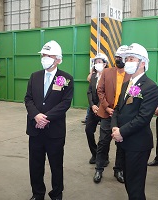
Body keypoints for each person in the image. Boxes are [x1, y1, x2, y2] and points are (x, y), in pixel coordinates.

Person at [24, 40, 74, 200]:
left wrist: (46, 117)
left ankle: (56, 194)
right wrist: (36, 115)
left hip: (55, 131)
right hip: (35, 129)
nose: (45, 58)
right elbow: (28, 99)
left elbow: (65, 103)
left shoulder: (66, 78)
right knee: (35, 165)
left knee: (56, 165)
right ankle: (37, 194)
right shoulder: (35, 76)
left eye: (49, 55)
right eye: (43, 55)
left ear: (58, 59)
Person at [111, 43, 158, 199]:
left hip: (138, 144)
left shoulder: (150, 87)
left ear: (143, 63)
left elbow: (144, 117)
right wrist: (114, 128)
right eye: (127, 59)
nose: (127, 62)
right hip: (123, 141)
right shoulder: (126, 84)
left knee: (135, 185)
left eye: (131, 58)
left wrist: (122, 132)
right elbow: (117, 109)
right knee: (129, 183)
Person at [93, 45, 131, 184]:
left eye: (121, 58)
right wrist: (107, 107)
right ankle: (99, 169)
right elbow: (100, 91)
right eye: (117, 57)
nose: (118, 60)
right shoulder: (107, 72)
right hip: (107, 113)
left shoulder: (130, 74)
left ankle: (118, 170)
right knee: (103, 142)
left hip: (123, 116)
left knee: (121, 143)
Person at [85, 53, 108, 164]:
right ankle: (95, 154)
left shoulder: (109, 77)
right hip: (93, 109)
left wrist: (99, 106)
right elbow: (89, 92)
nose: (97, 64)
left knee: (104, 136)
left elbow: (107, 93)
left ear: (105, 64)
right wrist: (92, 105)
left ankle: (104, 157)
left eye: (99, 62)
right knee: (88, 130)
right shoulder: (93, 77)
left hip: (104, 110)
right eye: (96, 62)